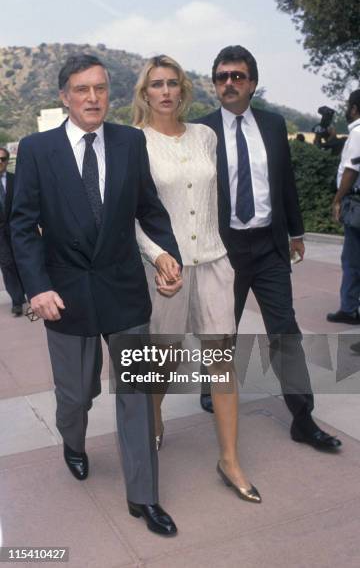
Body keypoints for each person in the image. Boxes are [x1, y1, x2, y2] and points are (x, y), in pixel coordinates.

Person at [11, 54, 183, 537]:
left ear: (110, 93)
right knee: (76, 395)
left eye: (101, 89)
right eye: (82, 90)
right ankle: (73, 441)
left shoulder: (130, 142)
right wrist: (36, 287)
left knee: (136, 394)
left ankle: (144, 497)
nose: (93, 98)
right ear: (64, 96)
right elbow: (21, 227)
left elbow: (150, 209)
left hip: (125, 290)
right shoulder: (37, 149)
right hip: (63, 297)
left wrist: (167, 256)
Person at [194, 45, 342, 451]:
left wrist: (295, 231)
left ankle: (302, 417)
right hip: (223, 250)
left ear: (252, 83)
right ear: (215, 84)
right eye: (222, 76)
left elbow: (284, 182)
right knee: (223, 331)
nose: (229, 83)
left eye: (237, 76)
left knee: (285, 331)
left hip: (268, 245)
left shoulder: (274, 125)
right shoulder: (201, 131)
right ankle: (212, 385)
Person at [133, 54, 261, 503]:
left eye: (172, 83)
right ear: (145, 93)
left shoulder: (206, 136)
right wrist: (157, 254)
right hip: (164, 271)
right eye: (156, 85)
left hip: (213, 263)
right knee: (160, 365)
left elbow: (219, 197)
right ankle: (152, 423)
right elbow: (131, 215)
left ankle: (229, 459)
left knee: (222, 363)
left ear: (183, 90)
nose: (165, 91)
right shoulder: (134, 143)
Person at [327, 89, 360, 324]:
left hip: (356, 203)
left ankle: (349, 309)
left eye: (349, 106)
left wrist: (337, 199)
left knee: (352, 259)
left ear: (355, 108)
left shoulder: (358, 133)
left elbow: (351, 170)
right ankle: (348, 307)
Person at [0, 147, 26, 316]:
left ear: (7, 161)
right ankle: (17, 301)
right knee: (7, 265)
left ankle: (31, 293)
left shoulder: (16, 180)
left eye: (2, 159)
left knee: (24, 261)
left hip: (18, 229)